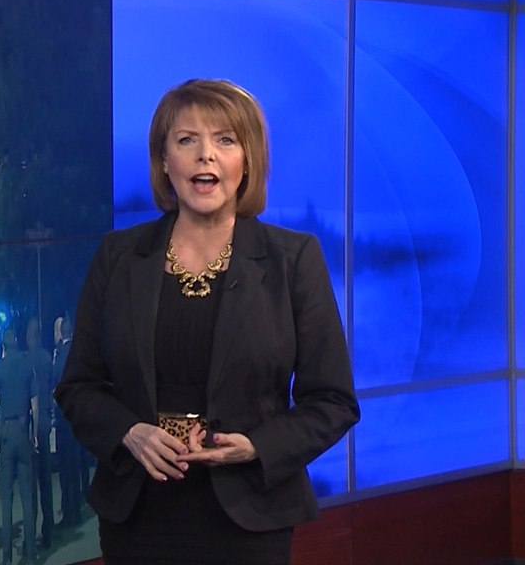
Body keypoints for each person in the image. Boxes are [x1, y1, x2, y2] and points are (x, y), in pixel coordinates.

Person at [52, 78, 360, 565]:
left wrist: (257, 446)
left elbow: (333, 401)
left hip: (249, 515)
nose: (205, 155)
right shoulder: (118, 257)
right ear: (164, 161)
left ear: (247, 161)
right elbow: (78, 387)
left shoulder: (293, 259)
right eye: (186, 140)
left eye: (225, 140)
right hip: (139, 515)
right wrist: (129, 432)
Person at [0, 326, 38, 565]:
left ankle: (7, 558)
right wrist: (34, 433)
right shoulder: (27, 363)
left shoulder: (2, 365)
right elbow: (34, 403)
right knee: (27, 498)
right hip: (22, 430)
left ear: (3, 347)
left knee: (6, 499)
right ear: (17, 342)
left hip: (7, 435)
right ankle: (30, 555)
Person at [25, 317, 55, 550]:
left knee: (31, 483)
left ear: (29, 336)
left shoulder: (26, 360)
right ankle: (48, 531)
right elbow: (54, 387)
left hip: (31, 424)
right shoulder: (46, 358)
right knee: (46, 481)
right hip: (44, 419)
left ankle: (31, 535)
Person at [51, 316, 85, 528]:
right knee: (76, 464)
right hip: (78, 418)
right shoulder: (79, 354)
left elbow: (54, 385)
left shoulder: (60, 356)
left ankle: (69, 513)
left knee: (65, 468)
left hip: (64, 419)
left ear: (59, 334)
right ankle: (77, 511)